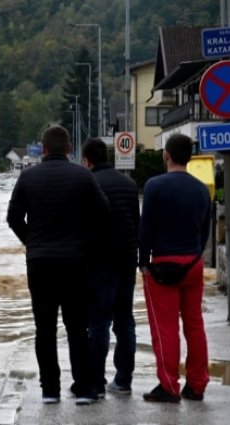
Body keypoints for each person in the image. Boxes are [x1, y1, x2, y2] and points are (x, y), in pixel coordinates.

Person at [7, 125, 109, 406]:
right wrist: (84, 240)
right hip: (76, 262)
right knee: (77, 327)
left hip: (39, 263)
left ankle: (50, 389)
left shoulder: (28, 177)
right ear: (68, 150)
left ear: (43, 149)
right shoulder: (83, 177)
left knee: (45, 328)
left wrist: (32, 241)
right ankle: (86, 389)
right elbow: (103, 213)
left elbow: (13, 217)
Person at [138, 133, 211, 403]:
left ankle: (169, 386)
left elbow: (145, 229)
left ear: (166, 155)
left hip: (162, 265)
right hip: (193, 263)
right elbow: (206, 231)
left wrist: (143, 262)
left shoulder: (155, 186)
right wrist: (195, 254)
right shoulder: (202, 189)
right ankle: (197, 385)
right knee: (195, 325)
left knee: (165, 328)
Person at [81, 138, 139, 397]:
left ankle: (96, 382)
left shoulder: (88, 184)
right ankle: (124, 379)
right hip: (126, 261)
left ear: (87, 161)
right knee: (125, 322)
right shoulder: (129, 184)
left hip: (98, 263)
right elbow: (136, 224)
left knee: (98, 324)